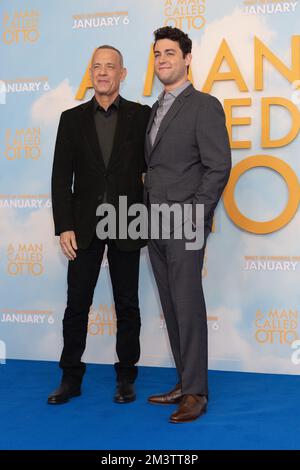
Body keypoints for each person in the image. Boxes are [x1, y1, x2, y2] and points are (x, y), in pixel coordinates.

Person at [48, 45, 151, 405]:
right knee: (76, 304)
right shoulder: (71, 119)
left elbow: (153, 171)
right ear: (90, 74)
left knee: (128, 305)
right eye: (97, 67)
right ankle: (70, 378)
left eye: (111, 67)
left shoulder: (143, 116)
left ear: (123, 74)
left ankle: (126, 378)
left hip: (128, 221)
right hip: (83, 226)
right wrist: (64, 226)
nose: (103, 72)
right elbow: (61, 178)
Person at [145, 27, 231, 423]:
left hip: (185, 224)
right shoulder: (155, 108)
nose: (162, 59)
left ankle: (196, 392)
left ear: (187, 58)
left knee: (188, 306)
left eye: (170, 53)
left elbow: (217, 167)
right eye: (158, 54)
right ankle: (184, 381)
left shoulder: (204, 105)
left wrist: (193, 214)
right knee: (172, 305)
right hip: (154, 224)